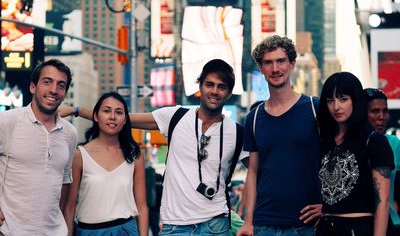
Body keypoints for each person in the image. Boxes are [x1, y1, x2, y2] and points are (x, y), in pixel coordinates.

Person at [61, 59, 248, 235]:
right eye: (209, 84)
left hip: (215, 224)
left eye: (221, 87)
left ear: (229, 93)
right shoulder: (175, 117)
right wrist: (77, 111)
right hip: (175, 225)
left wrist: (251, 220)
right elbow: (123, 118)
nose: (214, 91)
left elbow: (260, 173)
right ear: (200, 86)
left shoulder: (237, 133)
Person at [238, 35, 321, 236]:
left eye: (281, 61)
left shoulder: (314, 108)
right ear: (261, 68)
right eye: (268, 62)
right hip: (264, 223)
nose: (275, 69)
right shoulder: (254, 118)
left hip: (307, 224)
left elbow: (334, 161)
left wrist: (328, 206)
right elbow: (253, 172)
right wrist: (248, 221)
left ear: (292, 64)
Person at [0, 59, 78, 235]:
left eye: (61, 85)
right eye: (47, 82)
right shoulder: (8, 121)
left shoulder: (70, 133)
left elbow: (64, 183)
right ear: (33, 87)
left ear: (65, 93)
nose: (53, 90)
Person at [316, 72, 394, 235]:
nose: (336, 106)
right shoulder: (325, 142)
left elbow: (383, 201)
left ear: (356, 101)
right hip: (325, 228)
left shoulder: (374, 140)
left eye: (343, 99)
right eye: (330, 100)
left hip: (358, 228)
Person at [63, 92, 148, 236]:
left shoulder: (134, 156)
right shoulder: (79, 155)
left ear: (125, 119)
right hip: (89, 231)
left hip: (126, 230)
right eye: (106, 111)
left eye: (119, 112)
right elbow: (69, 207)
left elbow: (142, 207)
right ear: (96, 116)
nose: (112, 116)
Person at [365, 88, 400, 235]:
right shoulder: (350, 145)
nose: (382, 116)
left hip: (390, 224)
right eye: (375, 111)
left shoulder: (394, 143)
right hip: (358, 224)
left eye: (385, 111)